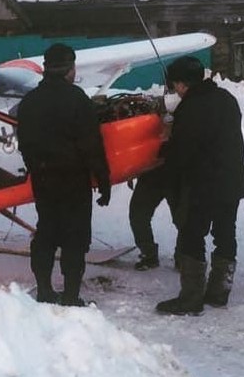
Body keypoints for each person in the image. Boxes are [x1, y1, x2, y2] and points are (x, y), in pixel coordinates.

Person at [17, 43, 111, 307]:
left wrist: (37, 167)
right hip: (74, 180)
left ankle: (45, 291)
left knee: (46, 231)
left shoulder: (29, 102)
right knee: (75, 236)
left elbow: (24, 142)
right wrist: (103, 180)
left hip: (43, 178)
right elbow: (92, 144)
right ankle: (70, 295)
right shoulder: (78, 99)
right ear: (71, 69)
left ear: (46, 69)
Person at [156, 56, 244, 315]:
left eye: (175, 86)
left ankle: (190, 299)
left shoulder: (191, 108)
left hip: (203, 184)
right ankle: (219, 292)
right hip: (231, 180)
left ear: (183, 84)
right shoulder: (226, 99)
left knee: (192, 235)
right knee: (225, 233)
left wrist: (165, 149)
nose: (176, 91)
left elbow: (183, 151)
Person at [128, 165, 177, 270]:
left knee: (184, 219)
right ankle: (149, 254)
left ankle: (186, 258)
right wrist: (129, 170)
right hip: (151, 172)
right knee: (138, 214)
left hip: (178, 171)